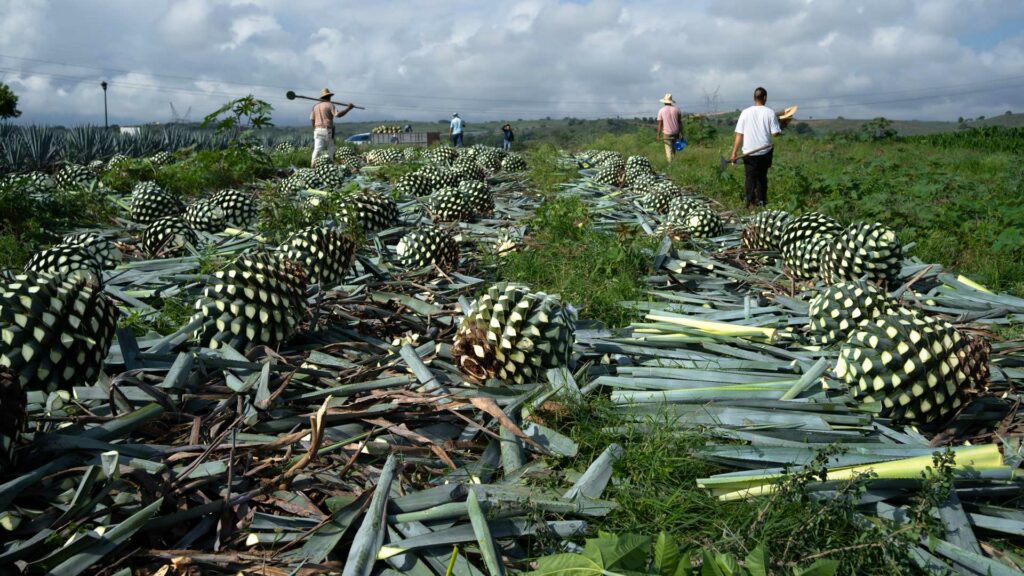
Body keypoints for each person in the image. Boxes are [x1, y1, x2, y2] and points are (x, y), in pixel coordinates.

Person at [730, 86, 782, 208]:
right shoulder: (770, 112)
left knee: (750, 177)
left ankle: (750, 202)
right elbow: (775, 134)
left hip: (748, 152)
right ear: (765, 97)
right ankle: (761, 202)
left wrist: (734, 153)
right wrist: (781, 126)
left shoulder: (745, 112)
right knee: (762, 177)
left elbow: (739, 134)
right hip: (764, 151)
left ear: (754, 98)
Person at [310, 87, 354, 164]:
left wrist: (315, 129)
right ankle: (331, 163)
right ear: (328, 96)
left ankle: (313, 164)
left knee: (317, 149)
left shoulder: (315, 107)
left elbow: (312, 119)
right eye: (330, 96)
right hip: (327, 130)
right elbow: (338, 115)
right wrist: (348, 108)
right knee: (331, 148)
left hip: (317, 130)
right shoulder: (330, 105)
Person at [655, 93, 683, 163]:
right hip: (676, 132)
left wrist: (658, 135)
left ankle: (670, 164)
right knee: (674, 149)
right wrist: (681, 133)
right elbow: (680, 123)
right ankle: (674, 162)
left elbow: (660, 124)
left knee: (668, 149)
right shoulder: (677, 110)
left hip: (667, 133)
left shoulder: (661, 110)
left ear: (664, 102)